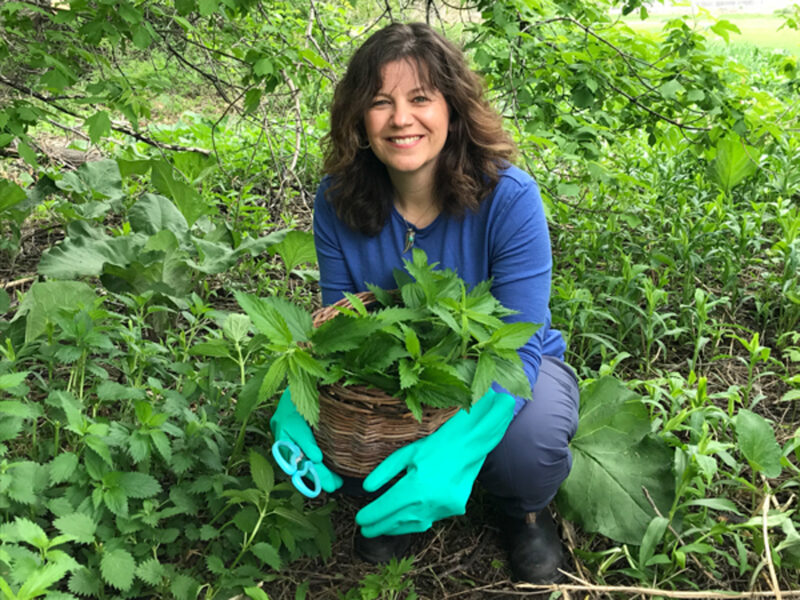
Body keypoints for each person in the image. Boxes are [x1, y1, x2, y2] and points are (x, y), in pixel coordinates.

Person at [269, 22, 580, 584]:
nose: (401, 118)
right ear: (359, 119)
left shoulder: (508, 198)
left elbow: (522, 339)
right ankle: (403, 489)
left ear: (453, 110)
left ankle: (525, 513)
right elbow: (346, 327)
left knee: (526, 448)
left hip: (506, 368)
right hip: (407, 373)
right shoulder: (338, 200)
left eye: (420, 99)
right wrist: (298, 397)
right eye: (380, 102)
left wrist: (469, 432)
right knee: (355, 445)